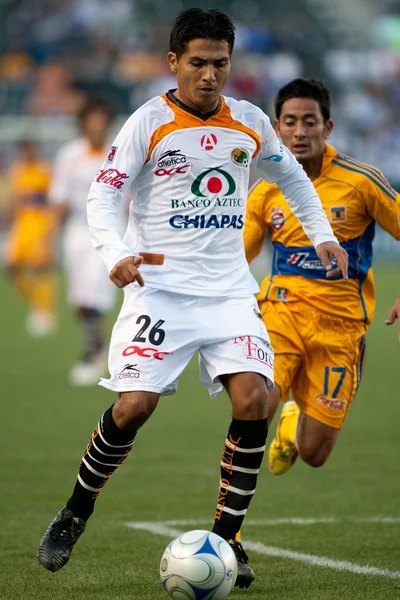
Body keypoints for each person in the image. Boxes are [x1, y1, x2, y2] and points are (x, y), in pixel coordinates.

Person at [37, 11, 347, 589]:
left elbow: (294, 178)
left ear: (232, 63)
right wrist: (113, 255)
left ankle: (228, 538)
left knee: (256, 397)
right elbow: (103, 201)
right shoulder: (147, 122)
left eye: (220, 63)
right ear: (173, 62)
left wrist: (323, 236)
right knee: (135, 407)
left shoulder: (251, 121)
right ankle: (75, 511)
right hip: (160, 293)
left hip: (229, 292)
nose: (210, 75)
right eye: (198, 63)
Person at [244, 78, 400, 477]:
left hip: (342, 326)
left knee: (313, 453)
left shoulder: (362, 181)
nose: (300, 132)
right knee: (254, 406)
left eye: (309, 121)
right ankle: (229, 530)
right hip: (283, 310)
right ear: (276, 129)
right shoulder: (265, 191)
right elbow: (233, 256)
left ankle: (295, 414)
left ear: (327, 128)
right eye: (290, 122)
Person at [48, 97, 119, 386]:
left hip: (110, 229)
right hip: (77, 229)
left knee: (95, 294)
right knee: (79, 299)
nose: (98, 126)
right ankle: (97, 346)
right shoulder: (70, 154)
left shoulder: (118, 152)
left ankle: (92, 355)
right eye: (93, 120)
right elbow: (59, 197)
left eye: (102, 120)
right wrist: (48, 235)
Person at [3, 140, 57, 336]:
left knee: (41, 268)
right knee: (11, 267)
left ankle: (45, 312)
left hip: (40, 222)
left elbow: (53, 199)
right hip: (21, 224)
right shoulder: (17, 171)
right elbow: (13, 199)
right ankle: (36, 303)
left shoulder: (44, 169)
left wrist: (50, 228)